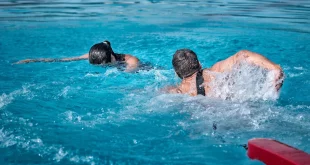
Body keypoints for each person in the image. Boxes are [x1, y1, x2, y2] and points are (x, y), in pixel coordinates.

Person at [167, 49, 284, 96]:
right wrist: (274, 68)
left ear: (177, 73)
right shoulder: (215, 72)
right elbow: (243, 55)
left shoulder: (176, 92)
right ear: (200, 64)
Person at [15, 41, 140, 71]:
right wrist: (35, 60)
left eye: (106, 65)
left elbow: (130, 74)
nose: (104, 68)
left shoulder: (131, 60)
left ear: (112, 57)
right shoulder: (95, 55)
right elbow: (66, 59)